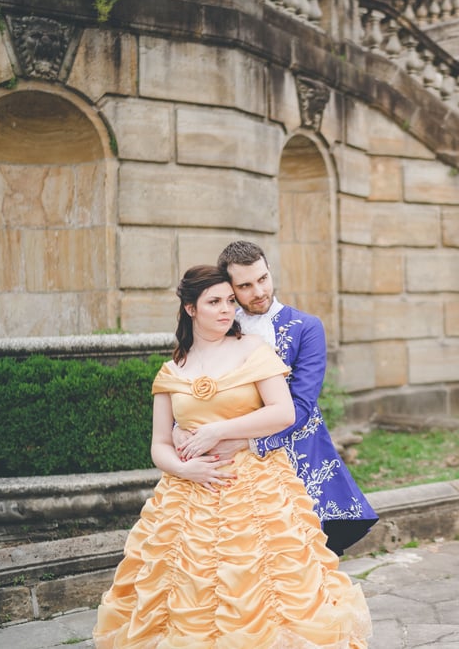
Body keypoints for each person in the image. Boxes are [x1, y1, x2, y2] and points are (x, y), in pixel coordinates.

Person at [93, 265, 371, 648]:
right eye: (214, 302)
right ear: (191, 308)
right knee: (190, 586)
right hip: (189, 494)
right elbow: (159, 445)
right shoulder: (173, 370)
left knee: (268, 583)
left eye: (228, 300)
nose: (226, 310)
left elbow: (284, 412)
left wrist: (217, 431)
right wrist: (186, 469)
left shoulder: (252, 349)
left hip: (257, 488)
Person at [175, 240, 378, 556]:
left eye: (263, 278)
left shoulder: (306, 327)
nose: (258, 291)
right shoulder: (220, 325)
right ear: (230, 288)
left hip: (297, 457)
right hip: (230, 467)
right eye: (245, 285)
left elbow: (300, 406)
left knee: (300, 562)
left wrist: (246, 442)